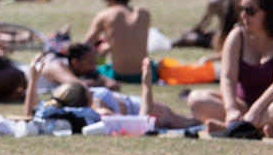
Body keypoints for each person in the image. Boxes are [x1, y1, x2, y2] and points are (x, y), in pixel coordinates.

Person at [187, 0, 273, 138]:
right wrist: (231, 109)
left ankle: (234, 128)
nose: (243, 16)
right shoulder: (237, 36)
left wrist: (255, 111)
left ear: (270, 13)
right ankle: (257, 128)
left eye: (250, 11)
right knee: (196, 99)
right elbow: (228, 78)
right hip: (244, 107)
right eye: (242, 9)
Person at [25, 55, 195, 129]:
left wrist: (33, 82)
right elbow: (144, 121)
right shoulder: (98, 106)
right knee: (185, 121)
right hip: (142, 108)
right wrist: (146, 85)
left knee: (189, 121)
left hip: (139, 107)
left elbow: (31, 115)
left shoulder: (64, 108)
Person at [82, 0, 153, 83]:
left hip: (118, 75)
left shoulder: (105, 15)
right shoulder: (144, 13)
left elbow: (85, 46)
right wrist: (111, 47)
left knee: (98, 70)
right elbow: (132, 40)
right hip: (144, 74)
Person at [172, 0, 238, 51]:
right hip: (240, 36)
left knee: (188, 37)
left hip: (224, 39)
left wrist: (191, 31)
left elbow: (203, 24)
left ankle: (170, 44)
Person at [35, 42, 120, 91]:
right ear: (74, 62)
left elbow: (113, 84)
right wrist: (99, 83)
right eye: (90, 63)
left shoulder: (85, 70)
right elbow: (76, 85)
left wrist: (98, 82)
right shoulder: (56, 65)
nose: (94, 67)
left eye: (95, 62)